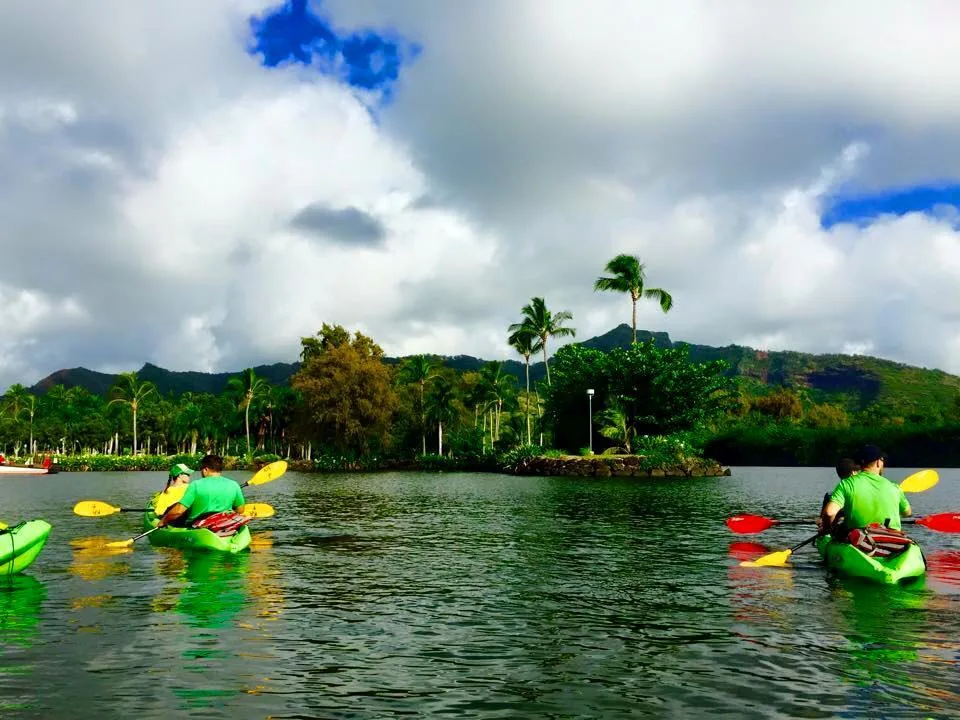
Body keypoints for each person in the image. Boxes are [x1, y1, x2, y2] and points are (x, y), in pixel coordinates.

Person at [819, 444, 912, 534]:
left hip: (858, 539)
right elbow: (907, 513)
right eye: (882, 460)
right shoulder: (895, 487)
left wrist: (826, 530)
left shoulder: (846, 484)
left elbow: (829, 513)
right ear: (878, 462)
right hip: (893, 539)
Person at [157, 454, 245, 528]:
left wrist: (163, 521)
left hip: (198, 526)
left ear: (205, 469)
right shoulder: (234, 484)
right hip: (223, 523)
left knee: (175, 513)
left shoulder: (196, 485)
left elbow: (179, 511)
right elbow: (240, 510)